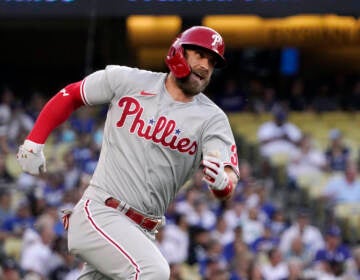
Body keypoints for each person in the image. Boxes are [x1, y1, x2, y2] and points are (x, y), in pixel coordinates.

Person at [16, 26, 240, 280]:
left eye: (212, 62)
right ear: (178, 52)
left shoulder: (212, 119)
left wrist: (222, 182)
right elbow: (72, 95)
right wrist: (34, 141)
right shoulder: (129, 80)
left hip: (142, 232)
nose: (205, 65)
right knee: (153, 272)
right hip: (101, 212)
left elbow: (228, 177)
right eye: (200, 55)